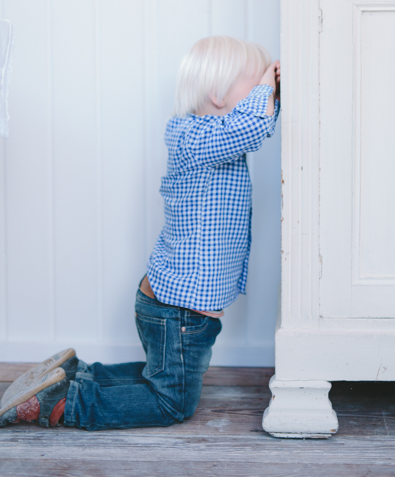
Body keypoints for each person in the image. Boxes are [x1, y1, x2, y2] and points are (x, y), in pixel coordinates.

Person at [0, 36, 280, 431]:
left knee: (161, 373)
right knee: (171, 402)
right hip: (179, 313)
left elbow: (257, 124)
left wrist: (272, 91)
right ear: (218, 94)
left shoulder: (216, 135)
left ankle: (81, 375)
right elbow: (252, 127)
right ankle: (65, 401)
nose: (263, 95)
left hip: (173, 308)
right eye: (256, 87)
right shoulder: (196, 138)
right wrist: (268, 87)